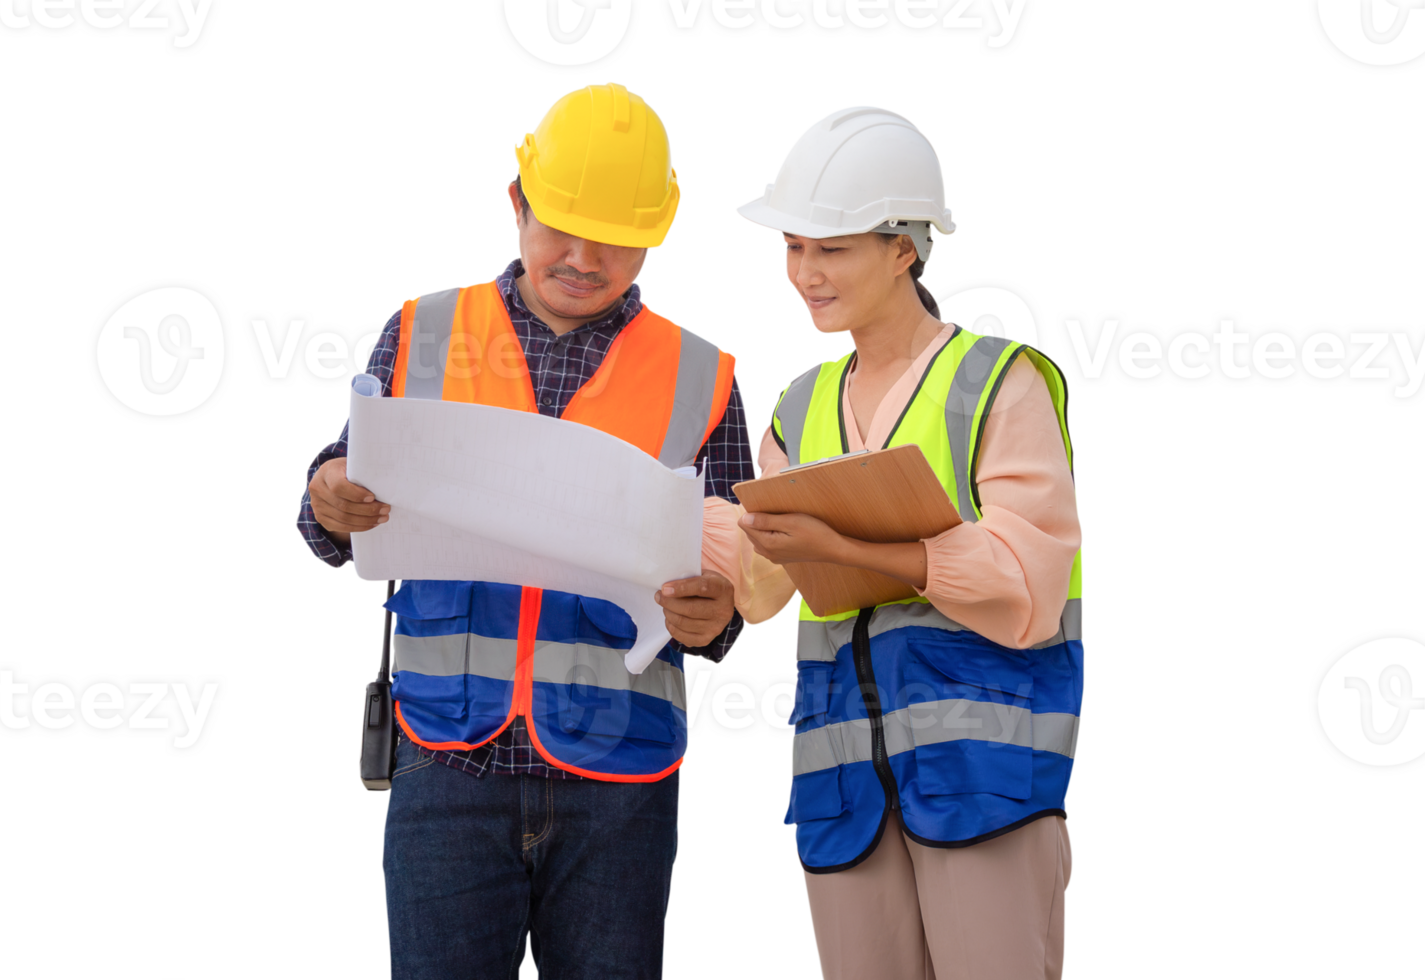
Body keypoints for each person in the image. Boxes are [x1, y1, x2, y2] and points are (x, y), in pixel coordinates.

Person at [293, 81, 762, 979]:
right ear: (516, 201)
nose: (585, 257)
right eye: (561, 226)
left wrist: (719, 614)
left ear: (657, 235)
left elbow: (732, 581)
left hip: (619, 777)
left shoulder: (701, 374)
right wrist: (329, 495)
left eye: (617, 237)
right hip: (445, 762)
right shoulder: (423, 333)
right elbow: (338, 506)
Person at [725, 106, 1086, 980]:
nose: (803, 273)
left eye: (832, 249)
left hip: (984, 783)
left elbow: (1024, 590)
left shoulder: (996, 384)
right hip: (842, 793)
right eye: (792, 247)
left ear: (904, 249)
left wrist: (851, 549)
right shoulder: (798, 405)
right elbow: (760, 591)